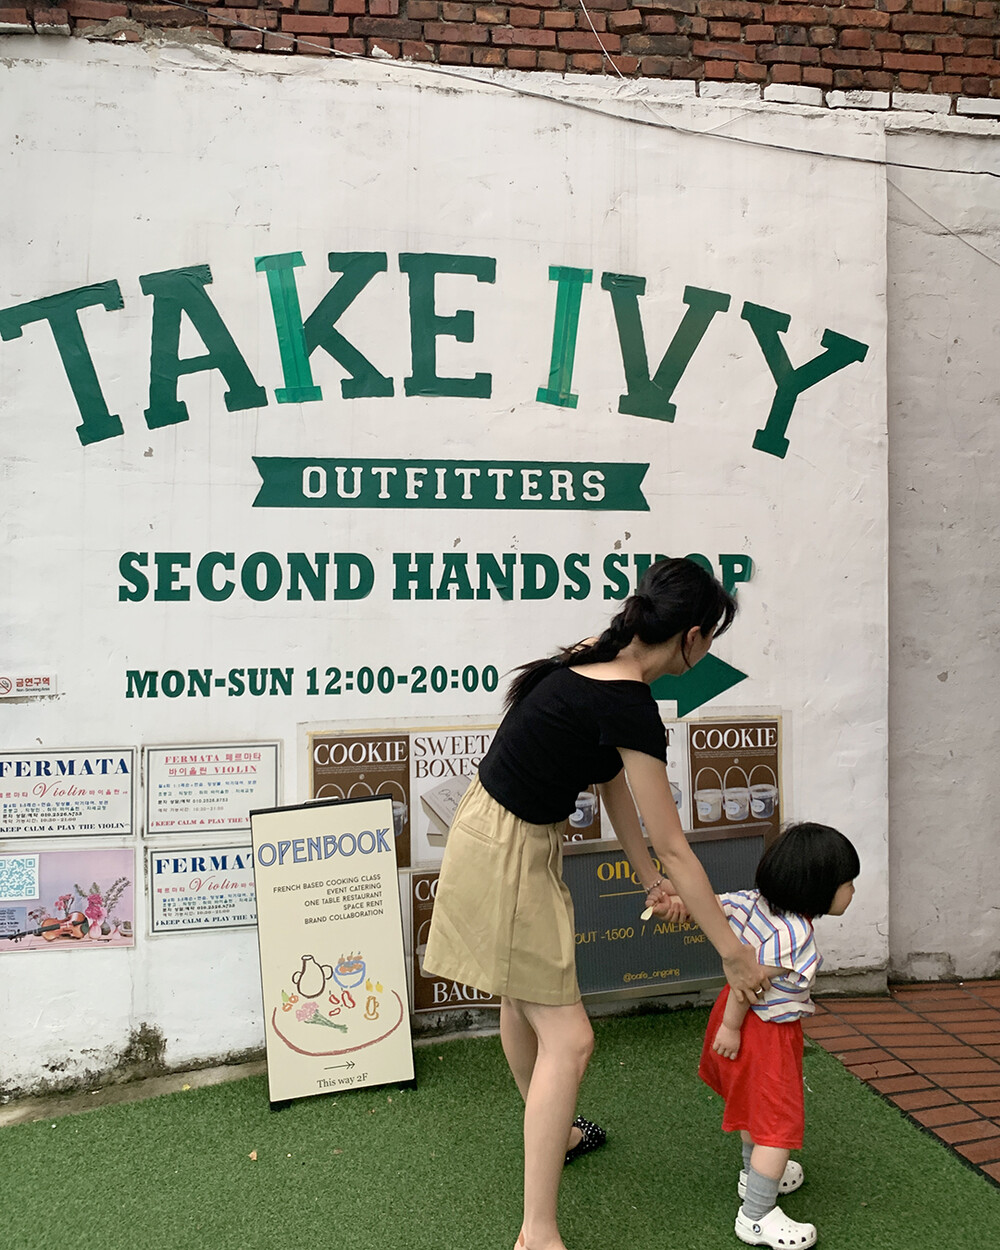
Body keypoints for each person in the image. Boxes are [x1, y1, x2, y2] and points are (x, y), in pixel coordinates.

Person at [422, 556, 779, 1250]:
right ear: (694, 637)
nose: (708, 651)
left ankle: (551, 1135)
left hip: (493, 831)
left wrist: (647, 879)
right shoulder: (628, 701)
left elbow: (611, 778)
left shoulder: (599, 658)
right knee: (572, 1040)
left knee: (521, 998)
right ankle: (537, 1234)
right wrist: (733, 955)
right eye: (711, 639)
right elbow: (677, 847)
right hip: (509, 852)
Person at [698, 822, 860, 1250]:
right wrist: (732, 1026)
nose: (851, 891)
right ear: (817, 887)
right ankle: (756, 1216)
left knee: (756, 1108)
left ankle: (752, 1175)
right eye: (847, 883)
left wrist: (677, 903)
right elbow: (749, 982)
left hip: (742, 1021)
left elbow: (714, 905)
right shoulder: (795, 935)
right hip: (761, 1030)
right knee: (776, 1125)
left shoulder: (757, 902)